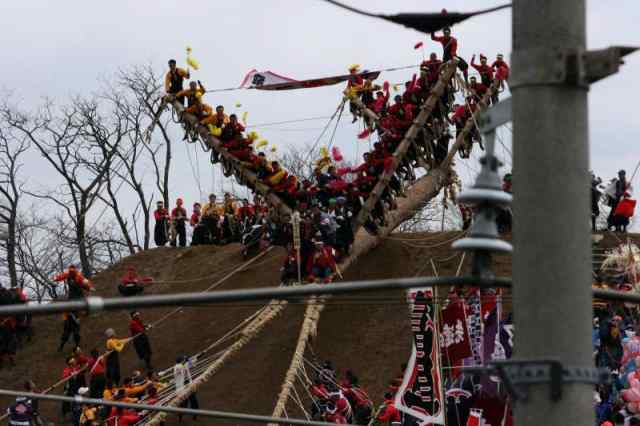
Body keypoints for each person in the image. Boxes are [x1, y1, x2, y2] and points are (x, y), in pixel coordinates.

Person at [173, 356, 199, 422]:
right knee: (183, 403)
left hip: (189, 385)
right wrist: (188, 361)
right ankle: (180, 416)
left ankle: (194, 415)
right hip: (182, 387)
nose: (184, 360)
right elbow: (180, 368)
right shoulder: (177, 366)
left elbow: (193, 362)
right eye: (183, 360)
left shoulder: (185, 364)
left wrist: (190, 360)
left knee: (193, 401)